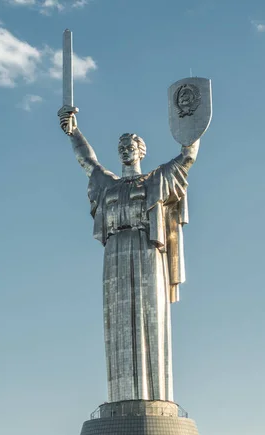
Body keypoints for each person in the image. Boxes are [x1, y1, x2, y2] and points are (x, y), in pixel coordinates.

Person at [58, 106, 200, 404]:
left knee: (151, 315)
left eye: (131, 147)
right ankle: (122, 399)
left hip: (146, 248)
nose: (125, 151)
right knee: (118, 322)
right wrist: (74, 132)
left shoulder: (155, 180)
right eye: (121, 147)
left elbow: (187, 157)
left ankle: (155, 398)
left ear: (141, 152)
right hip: (115, 253)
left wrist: (192, 126)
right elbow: (87, 160)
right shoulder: (107, 184)